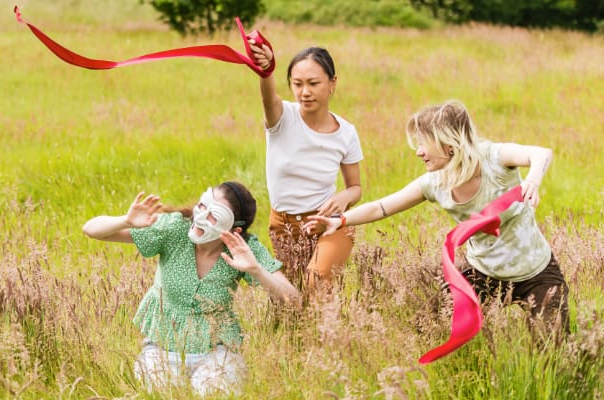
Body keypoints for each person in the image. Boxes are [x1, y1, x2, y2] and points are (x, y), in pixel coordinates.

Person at [305, 100, 567, 336]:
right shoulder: (434, 183)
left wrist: (532, 180)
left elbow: (541, 153)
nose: (418, 152)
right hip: (484, 273)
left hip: (536, 273)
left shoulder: (493, 159)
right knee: (429, 327)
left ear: (448, 142)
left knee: (552, 353)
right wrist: (339, 221)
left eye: (423, 143)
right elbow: (381, 207)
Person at [82, 182, 300, 396]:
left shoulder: (243, 247)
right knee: (161, 391)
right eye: (202, 205)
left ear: (235, 229)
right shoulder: (174, 228)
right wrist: (125, 221)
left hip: (216, 350)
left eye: (215, 215)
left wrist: (256, 270)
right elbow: (91, 230)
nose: (201, 217)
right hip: (161, 348)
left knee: (213, 391)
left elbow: (293, 299)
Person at [246, 40, 365, 302]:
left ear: (332, 83)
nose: (305, 92)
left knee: (316, 281)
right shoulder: (282, 118)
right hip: (284, 226)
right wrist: (265, 71)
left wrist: (344, 198)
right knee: (291, 302)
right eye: (297, 84)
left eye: (313, 83)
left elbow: (355, 188)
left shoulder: (346, 133)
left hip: (327, 223)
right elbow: (268, 96)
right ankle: (320, 337)